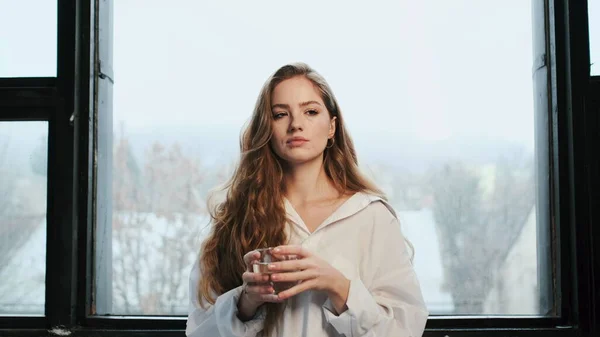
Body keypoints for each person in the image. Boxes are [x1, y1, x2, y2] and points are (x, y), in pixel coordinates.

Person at [186, 62, 428, 337]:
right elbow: (199, 330)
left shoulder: (371, 217)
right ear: (267, 129)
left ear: (331, 127)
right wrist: (245, 303)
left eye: (310, 111)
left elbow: (405, 329)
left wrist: (338, 286)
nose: (296, 125)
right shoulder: (236, 217)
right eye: (280, 114)